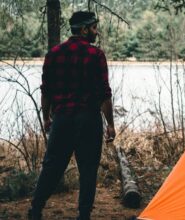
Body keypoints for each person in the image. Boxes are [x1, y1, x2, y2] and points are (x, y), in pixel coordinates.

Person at [28, 11, 116, 220]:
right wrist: (110, 124)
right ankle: (83, 215)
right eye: (93, 27)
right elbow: (104, 93)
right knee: (87, 170)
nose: (96, 31)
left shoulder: (54, 54)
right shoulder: (96, 55)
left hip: (63, 119)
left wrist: (47, 118)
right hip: (88, 120)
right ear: (84, 30)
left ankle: (36, 209)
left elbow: (46, 90)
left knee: (52, 166)